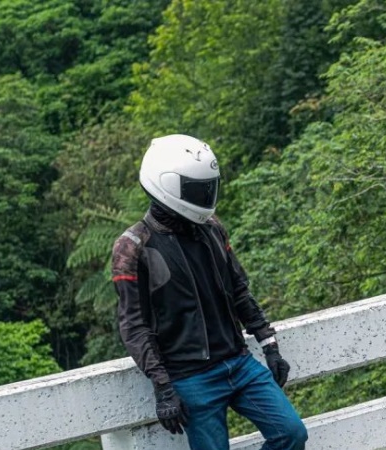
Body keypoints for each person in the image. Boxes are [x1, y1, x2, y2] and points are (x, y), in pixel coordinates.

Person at [111, 134, 308, 450]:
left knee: (291, 433)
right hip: (191, 377)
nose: (204, 196)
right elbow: (134, 326)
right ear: (166, 185)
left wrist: (268, 343)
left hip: (239, 363)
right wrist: (163, 387)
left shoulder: (212, 228)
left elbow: (239, 290)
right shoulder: (133, 247)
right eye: (196, 189)